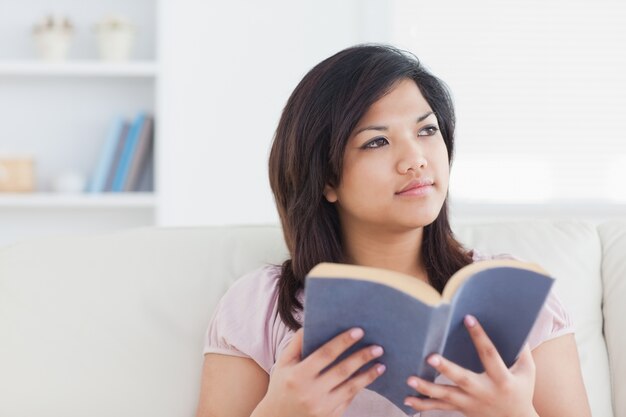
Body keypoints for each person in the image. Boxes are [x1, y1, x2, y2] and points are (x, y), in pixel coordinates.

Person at [195, 44, 591, 417]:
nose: (415, 159)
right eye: (377, 141)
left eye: (427, 130)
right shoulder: (260, 307)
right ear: (326, 179)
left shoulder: (515, 294)